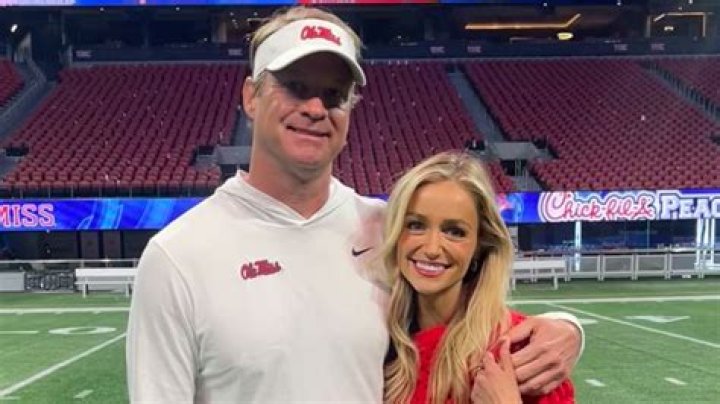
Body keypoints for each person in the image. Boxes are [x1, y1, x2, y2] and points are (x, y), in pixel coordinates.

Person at [126, 6, 583, 403]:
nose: (315, 108)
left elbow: (469, 318)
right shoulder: (179, 256)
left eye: (334, 95)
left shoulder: (388, 231)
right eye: (295, 86)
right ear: (250, 96)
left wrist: (564, 330)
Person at [381, 152, 574, 403]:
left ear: (480, 245)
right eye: (416, 225)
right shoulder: (377, 340)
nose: (432, 248)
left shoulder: (521, 351)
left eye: (455, 232)